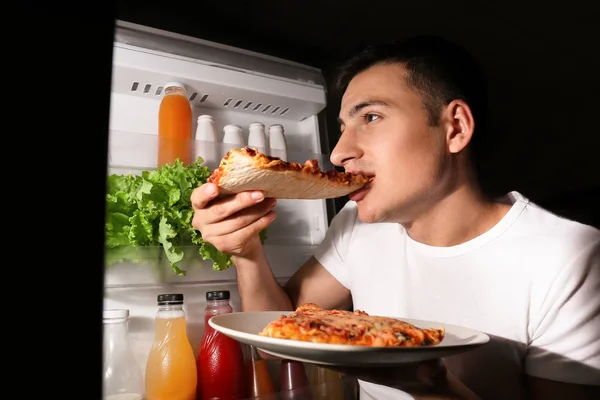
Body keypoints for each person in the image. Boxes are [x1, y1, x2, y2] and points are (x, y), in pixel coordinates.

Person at [191, 35, 600, 399]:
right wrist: (245, 251)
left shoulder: (570, 255)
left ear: (455, 127)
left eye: (370, 117)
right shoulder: (355, 225)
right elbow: (274, 335)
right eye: (343, 125)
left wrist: (431, 386)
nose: (338, 153)